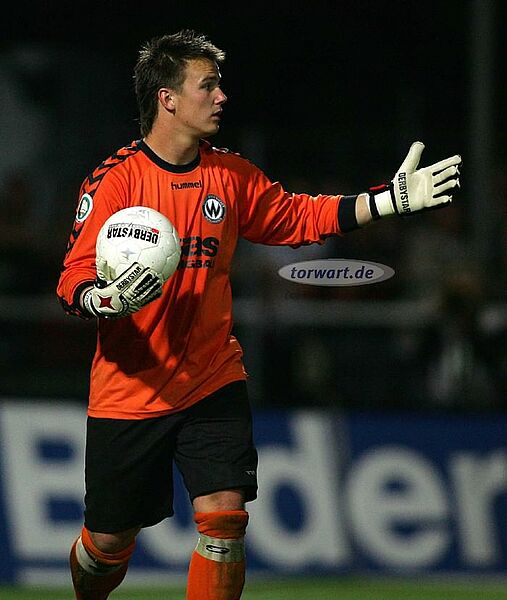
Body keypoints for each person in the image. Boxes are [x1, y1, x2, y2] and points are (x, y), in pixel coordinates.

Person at [56, 29, 461, 600]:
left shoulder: (230, 175)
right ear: (167, 98)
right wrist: (101, 298)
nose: (221, 96)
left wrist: (385, 201)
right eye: (207, 85)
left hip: (211, 377)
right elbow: (71, 278)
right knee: (106, 546)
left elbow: (296, 217)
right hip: (132, 390)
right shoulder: (115, 182)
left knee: (225, 521)